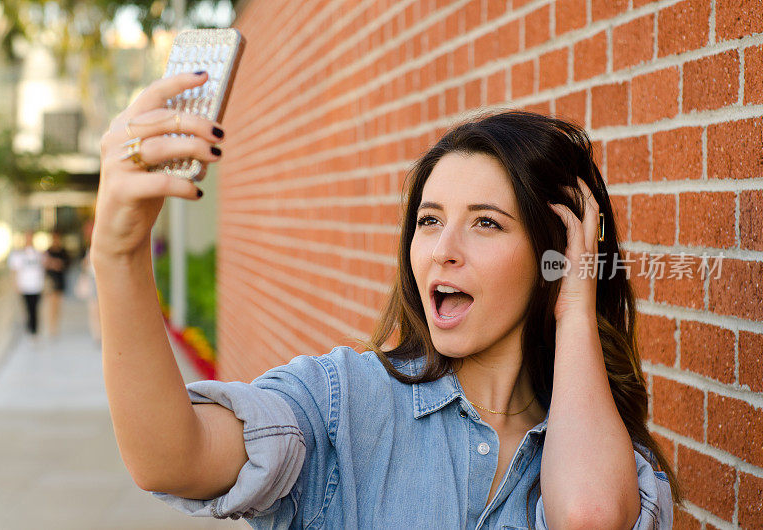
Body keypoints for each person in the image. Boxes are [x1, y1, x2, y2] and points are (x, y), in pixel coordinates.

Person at [93, 73, 680, 528]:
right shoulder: (341, 403)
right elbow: (175, 458)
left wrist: (574, 303)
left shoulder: (606, 457)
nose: (442, 251)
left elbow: (590, 518)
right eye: (429, 221)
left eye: (486, 224)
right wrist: (119, 256)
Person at [8, 230, 45, 338]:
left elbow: (42, 269)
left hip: (36, 286)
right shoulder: (18, 254)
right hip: (24, 286)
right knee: (28, 308)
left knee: (35, 308)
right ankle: (30, 328)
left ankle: (34, 329)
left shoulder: (38, 254)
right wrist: (15, 285)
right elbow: (14, 271)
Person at [43, 230, 71, 337]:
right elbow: (44, 265)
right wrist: (52, 264)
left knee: (58, 305)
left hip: (60, 280)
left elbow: (68, 265)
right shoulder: (48, 251)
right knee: (50, 305)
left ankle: (55, 326)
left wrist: (59, 264)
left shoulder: (63, 251)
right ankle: (51, 327)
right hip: (51, 281)